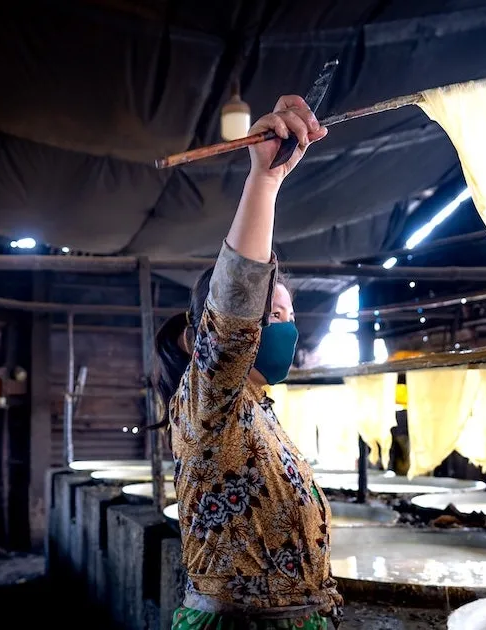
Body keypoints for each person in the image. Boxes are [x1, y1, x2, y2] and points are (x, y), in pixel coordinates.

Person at [155, 95, 341, 629]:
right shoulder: (209, 404)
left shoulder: (257, 410)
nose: (282, 325)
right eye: (270, 313)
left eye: (287, 314)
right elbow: (236, 304)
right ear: (206, 342)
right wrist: (265, 181)